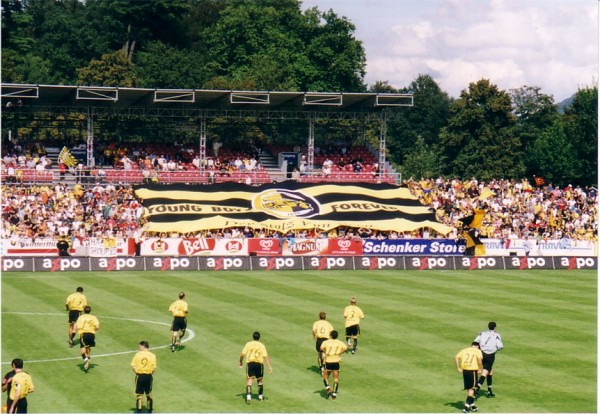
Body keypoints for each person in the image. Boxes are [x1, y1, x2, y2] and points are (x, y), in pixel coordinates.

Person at [239, 331, 273, 404]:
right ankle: (260, 397)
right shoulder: (262, 345)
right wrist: (270, 367)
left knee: (249, 380)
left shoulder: (248, 344)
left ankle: (248, 398)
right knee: (260, 380)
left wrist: (240, 361)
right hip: (259, 364)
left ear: (253, 337)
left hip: (250, 364)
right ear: (259, 338)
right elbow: (265, 357)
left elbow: (242, 354)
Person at [474, 321, 504, 397]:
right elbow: (500, 346)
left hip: (481, 353)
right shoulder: (496, 335)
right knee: (485, 372)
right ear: (495, 327)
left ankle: (489, 390)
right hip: (490, 355)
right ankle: (477, 388)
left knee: (490, 371)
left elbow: (475, 342)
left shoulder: (482, 333)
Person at [455, 341, 483, 414]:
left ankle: (473, 406)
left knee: (469, 388)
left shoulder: (464, 350)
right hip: (472, 371)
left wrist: (458, 367)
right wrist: (480, 368)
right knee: (472, 389)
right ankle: (466, 407)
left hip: (465, 371)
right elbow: (479, 359)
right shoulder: (477, 351)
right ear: (477, 346)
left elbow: (456, 357)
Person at [320, 330, 348, 400]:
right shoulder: (339, 342)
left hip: (328, 361)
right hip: (336, 361)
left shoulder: (326, 342)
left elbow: (321, 348)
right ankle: (334, 394)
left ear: (331, 336)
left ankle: (328, 388)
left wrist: (325, 352)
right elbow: (346, 348)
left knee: (325, 376)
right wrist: (340, 353)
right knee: (336, 378)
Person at [131, 340, 157, 414]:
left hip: (140, 376)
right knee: (149, 394)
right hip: (148, 376)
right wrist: (149, 374)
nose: (139, 348)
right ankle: (150, 411)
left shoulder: (137, 355)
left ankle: (139, 411)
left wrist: (137, 373)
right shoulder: (152, 355)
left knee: (139, 395)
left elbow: (133, 366)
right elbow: (154, 368)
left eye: (140, 346)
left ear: (143, 346)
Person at [75, 305, 100, 372]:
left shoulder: (81, 317)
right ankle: (87, 364)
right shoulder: (93, 317)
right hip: (92, 335)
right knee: (88, 349)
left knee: (82, 350)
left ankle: (85, 360)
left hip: (84, 334)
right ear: (90, 310)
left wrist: (76, 331)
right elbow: (97, 327)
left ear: (84, 310)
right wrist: (93, 330)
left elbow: (77, 326)